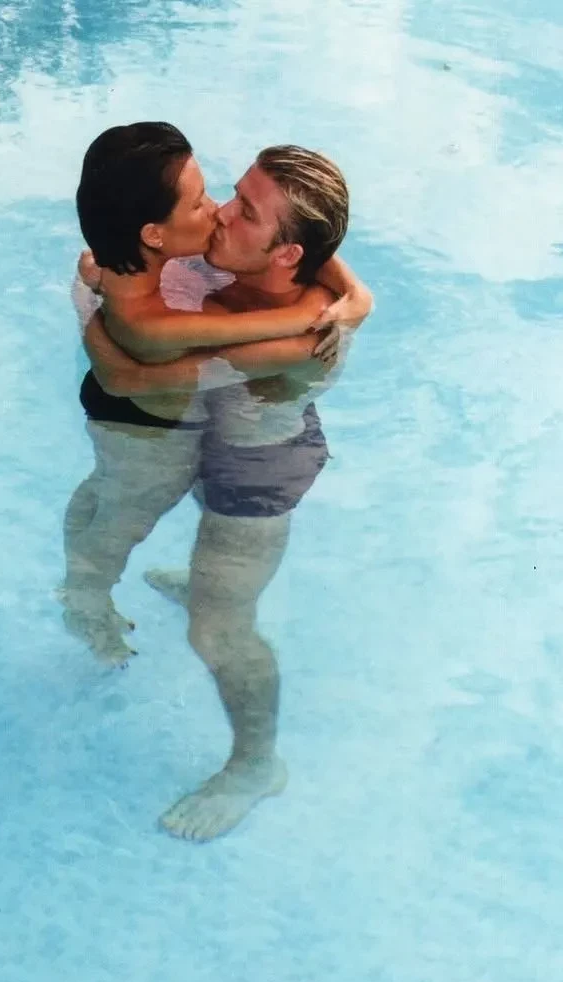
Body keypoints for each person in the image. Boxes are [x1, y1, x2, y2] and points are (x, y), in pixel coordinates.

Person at [79, 144, 367, 841]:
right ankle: (206, 583)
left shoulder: (304, 335)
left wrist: (92, 310)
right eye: (232, 194)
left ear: (286, 255)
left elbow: (131, 379)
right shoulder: (239, 261)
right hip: (211, 436)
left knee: (218, 629)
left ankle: (255, 765)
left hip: (258, 471)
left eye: (245, 212)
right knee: (196, 554)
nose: (223, 214)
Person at [62, 122, 369, 666]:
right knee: (122, 517)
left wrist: (354, 292)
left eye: (228, 200)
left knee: (106, 494)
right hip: (144, 430)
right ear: (155, 233)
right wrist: (318, 313)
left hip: (164, 418)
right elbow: (125, 380)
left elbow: (299, 242)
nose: (218, 211)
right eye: (201, 201)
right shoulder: (153, 322)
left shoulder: (126, 257)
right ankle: (86, 600)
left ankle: (102, 581)